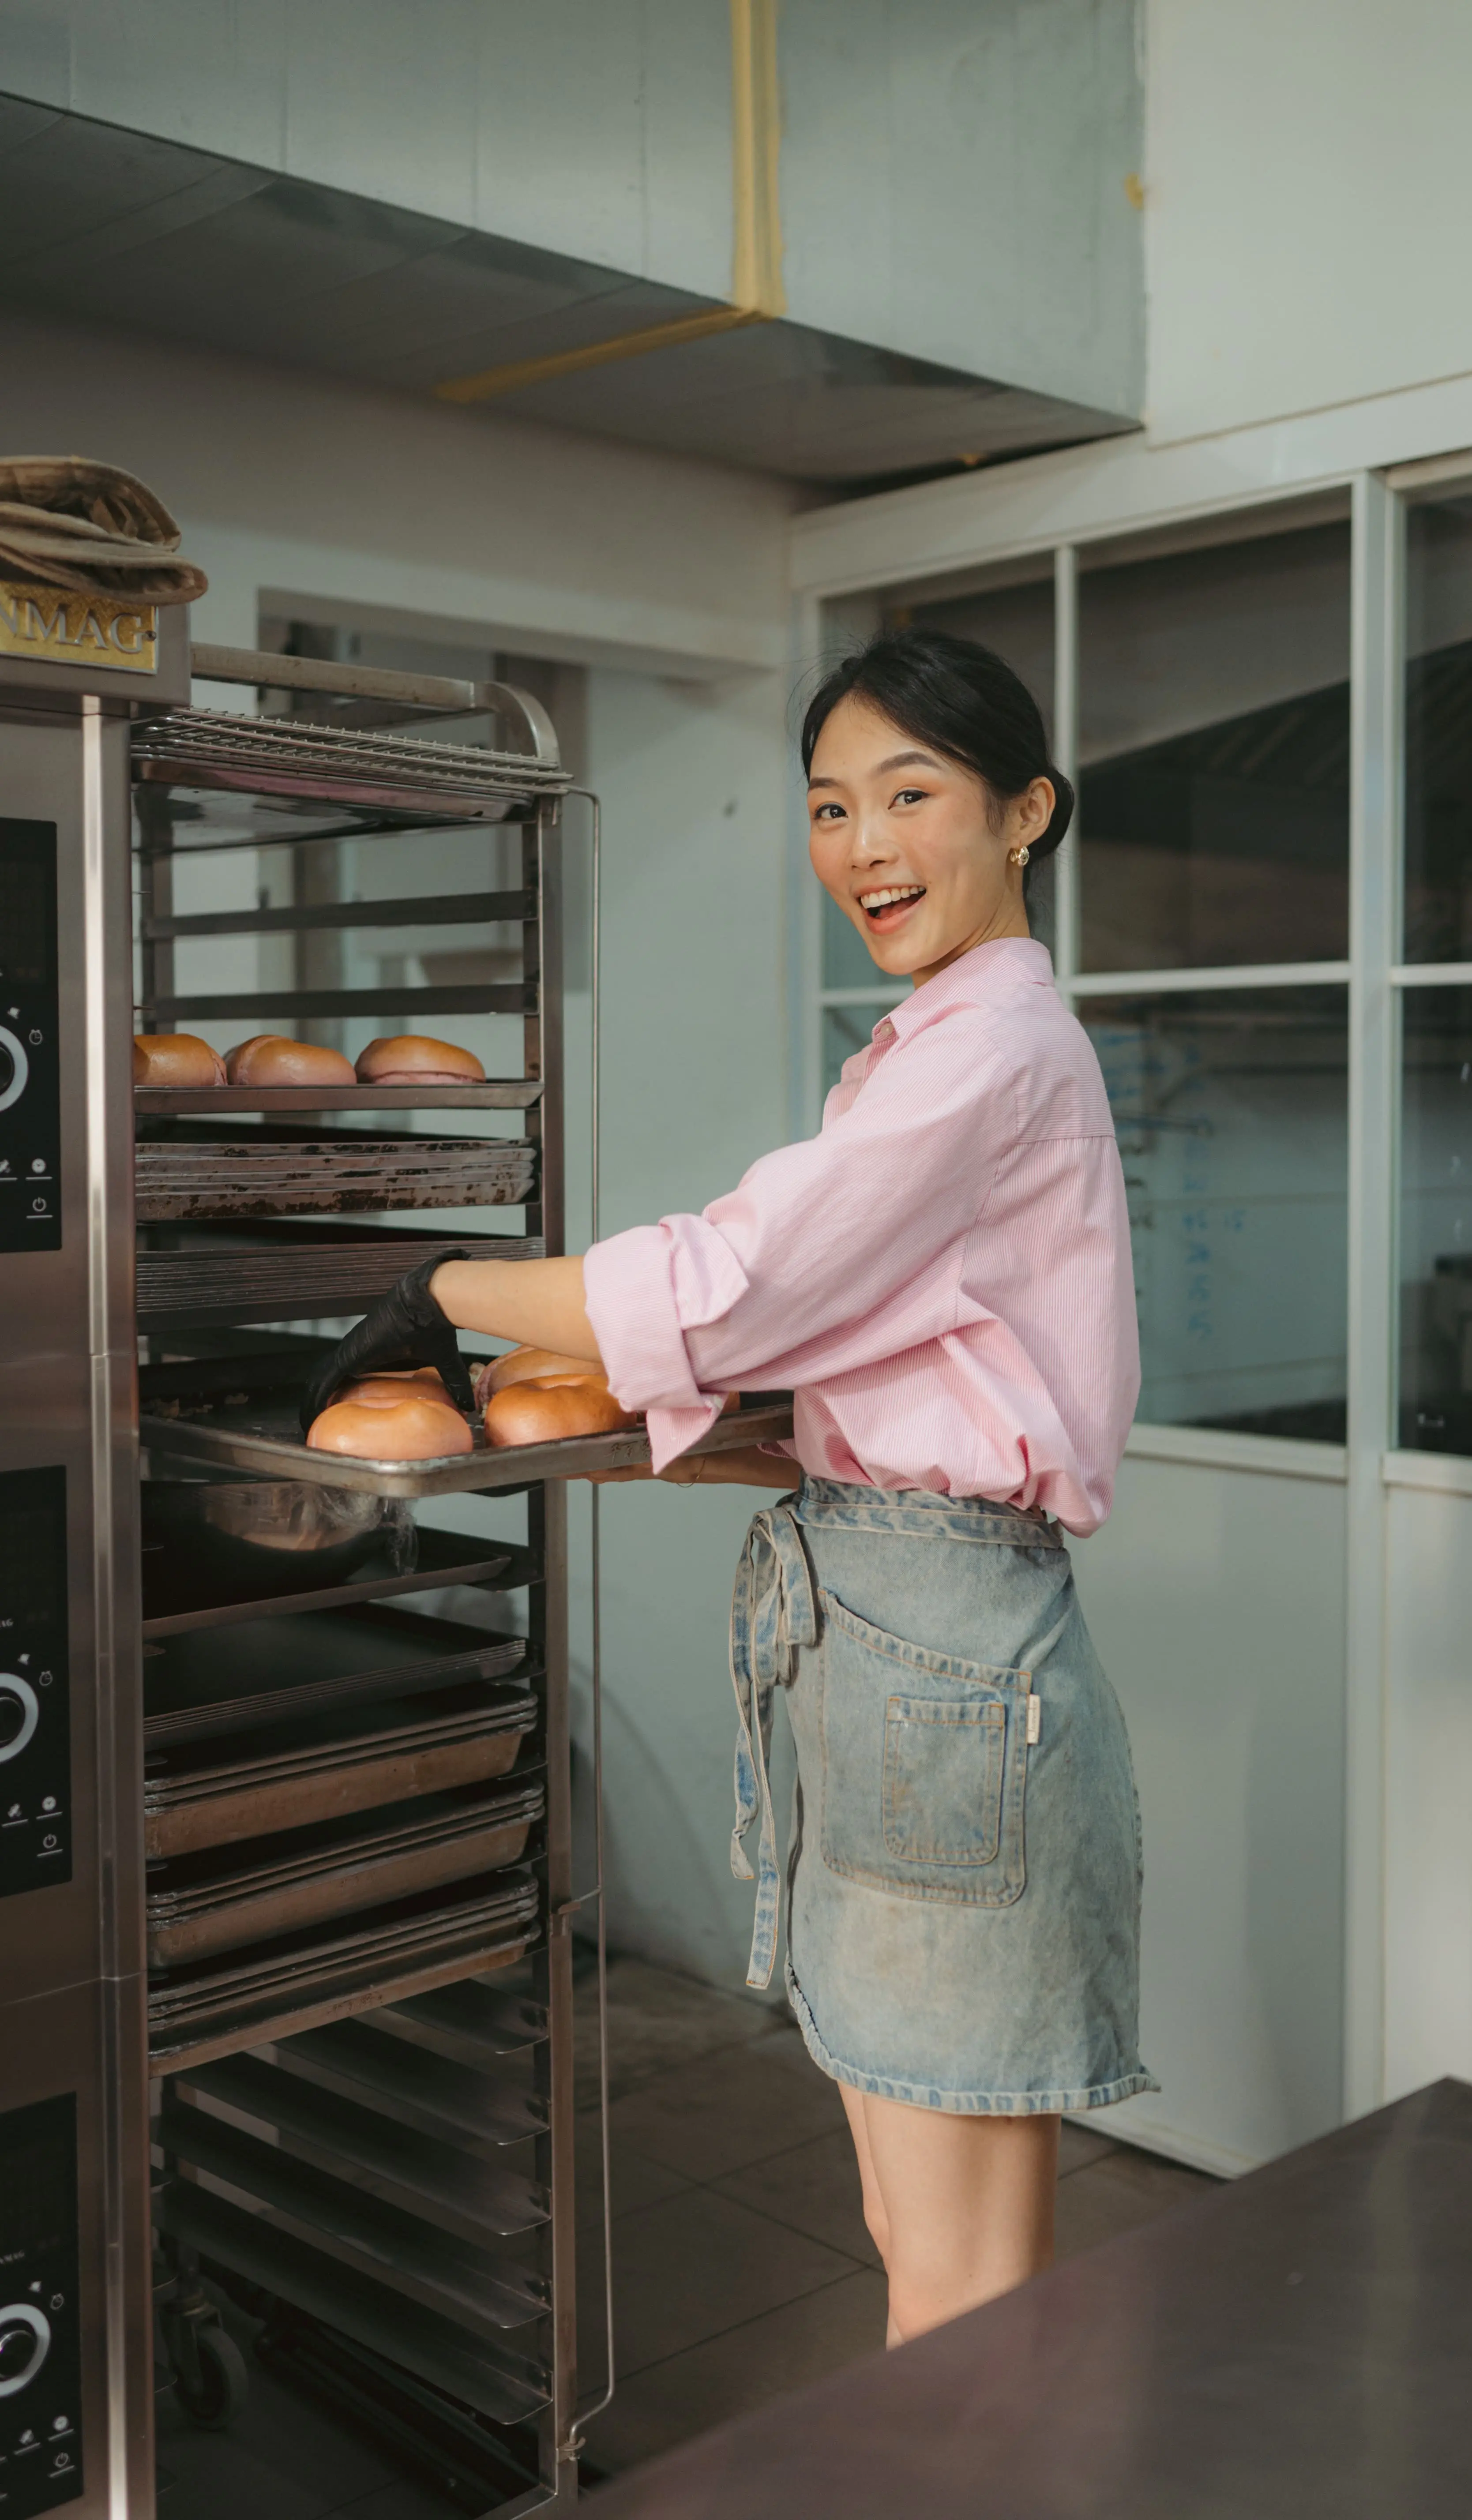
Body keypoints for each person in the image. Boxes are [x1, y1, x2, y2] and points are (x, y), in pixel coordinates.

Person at [303, 626, 1153, 2346]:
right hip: (901, 1649)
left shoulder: (984, 1057)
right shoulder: (935, 1049)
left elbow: (728, 1288)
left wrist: (448, 1287)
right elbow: (859, 1382)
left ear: (1024, 814)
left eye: (912, 795)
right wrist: (601, 1432)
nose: (863, 847)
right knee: (913, 2231)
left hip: (940, 1676)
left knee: (960, 2283)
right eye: (831, 807)